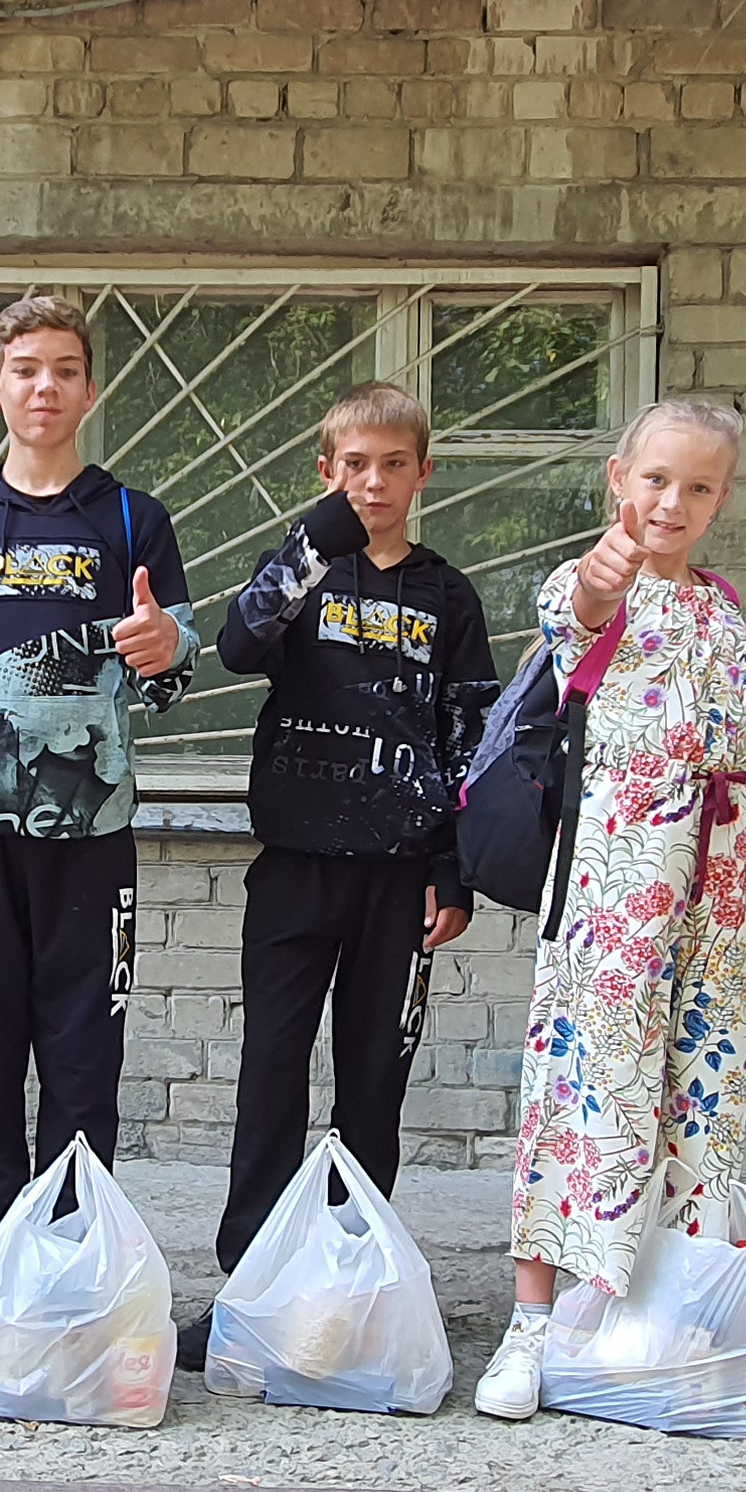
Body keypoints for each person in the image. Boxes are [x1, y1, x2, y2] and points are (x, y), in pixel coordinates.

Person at [0, 293, 192, 1331]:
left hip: (92, 839)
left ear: (89, 390)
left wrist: (167, 652)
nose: (44, 386)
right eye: (24, 368)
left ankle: (70, 1259)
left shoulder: (130, 519)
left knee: (81, 1052)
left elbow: (167, 681)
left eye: (64, 368)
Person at [478, 400, 746, 1424]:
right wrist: (602, 576)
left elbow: (731, 729)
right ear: (619, 479)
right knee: (583, 1082)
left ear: (723, 497)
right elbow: (581, 611)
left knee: (700, 1091)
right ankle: (536, 1324)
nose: (673, 503)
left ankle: (679, 1320)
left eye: (698, 487)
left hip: (718, 884)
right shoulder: (588, 581)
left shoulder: (723, 605)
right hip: (617, 884)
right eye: (656, 481)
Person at [188, 380, 496, 1368]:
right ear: (327, 472)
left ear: (421, 474)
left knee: (373, 1087)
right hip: (293, 871)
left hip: (399, 881)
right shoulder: (305, 571)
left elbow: (468, 744)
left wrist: (453, 875)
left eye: (391, 465)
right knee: (270, 1078)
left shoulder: (448, 596)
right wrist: (309, 542)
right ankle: (252, 1283)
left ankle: (355, 1290)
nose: (373, 482)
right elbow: (238, 646)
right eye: (353, 465)